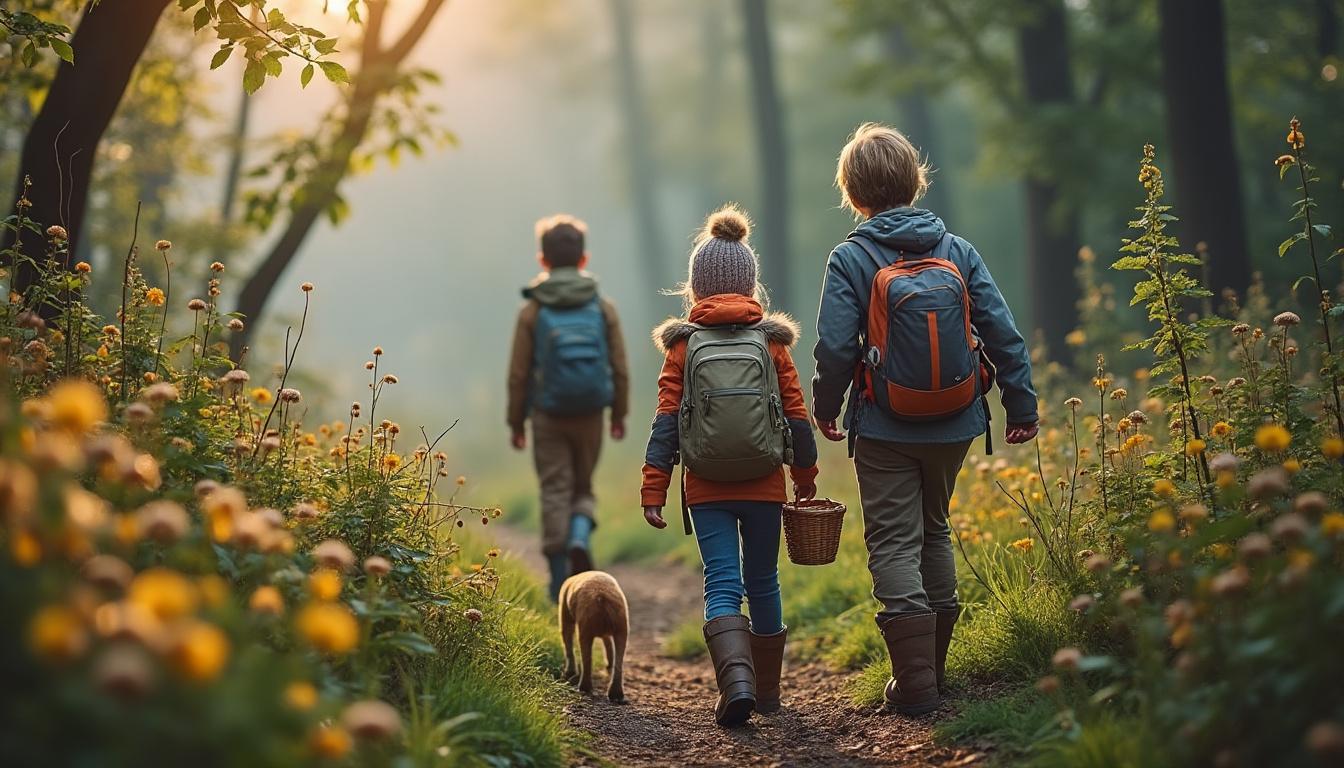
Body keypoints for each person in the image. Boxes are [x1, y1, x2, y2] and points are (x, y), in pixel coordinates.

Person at [812, 123, 1039, 715]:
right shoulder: (956, 249)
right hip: (956, 417)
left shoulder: (852, 257)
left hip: (885, 423)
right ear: (915, 180)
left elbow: (836, 347)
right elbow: (1002, 332)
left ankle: (914, 684)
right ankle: (931, 675)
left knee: (893, 537)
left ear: (854, 191)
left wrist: (825, 407)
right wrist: (1022, 404)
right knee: (934, 527)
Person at [641, 206, 819, 727]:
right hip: (765, 483)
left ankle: (735, 684)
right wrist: (804, 479)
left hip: (707, 487)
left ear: (695, 289)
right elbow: (796, 416)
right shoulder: (771, 342)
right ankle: (767, 693)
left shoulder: (682, 345)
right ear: (752, 284)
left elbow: (666, 421)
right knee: (763, 579)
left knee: (722, 581)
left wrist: (654, 489)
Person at [508, 214, 629, 601]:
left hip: (547, 414)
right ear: (583, 259)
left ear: (542, 260)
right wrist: (619, 413)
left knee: (554, 489)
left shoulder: (532, 310)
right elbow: (620, 366)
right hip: (592, 411)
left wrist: (516, 421)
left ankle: (559, 579)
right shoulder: (602, 305)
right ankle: (580, 535)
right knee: (582, 486)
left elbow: (518, 374)